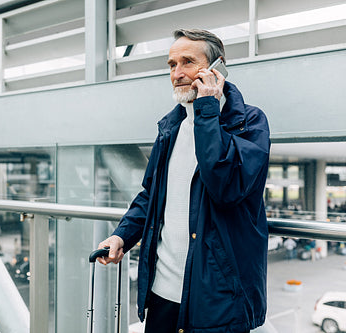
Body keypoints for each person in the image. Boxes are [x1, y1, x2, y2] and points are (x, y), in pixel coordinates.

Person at [97, 29, 270, 333]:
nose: (177, 73)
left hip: (217, 301)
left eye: (187, 62)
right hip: (162, 294)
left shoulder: (250, 123)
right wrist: (122, 236)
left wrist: (207, 110)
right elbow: (152, 196)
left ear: (218, 68)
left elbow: (224, 187)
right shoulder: (171, 127)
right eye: (171, 64)